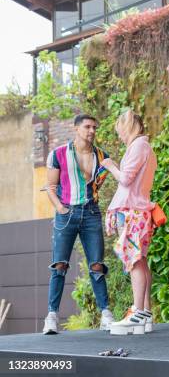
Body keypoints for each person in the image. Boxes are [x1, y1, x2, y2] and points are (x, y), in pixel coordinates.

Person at [43, 114, 114, 334]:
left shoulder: (102, 156)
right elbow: (50, 186)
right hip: (66, 213)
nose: (91, 131)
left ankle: (106, 314)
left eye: (94, 127)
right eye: (87, 126)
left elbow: (104, 183)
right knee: (60, 265)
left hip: (91, 213)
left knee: (97, 265)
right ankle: (52, 316)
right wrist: (61, 209)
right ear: (76, 128)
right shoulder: (58, 154)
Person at [102, 110, 157, 335]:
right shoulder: (144, 147)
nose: (120, 137)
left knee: (134, 262)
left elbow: (125, 179)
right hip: (139, 211)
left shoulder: (138, 147)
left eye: (120, 132)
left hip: (134, 212)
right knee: (140, 261)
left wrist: (111, 165)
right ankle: (144, 315)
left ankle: (137, 313)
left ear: (128, 127)